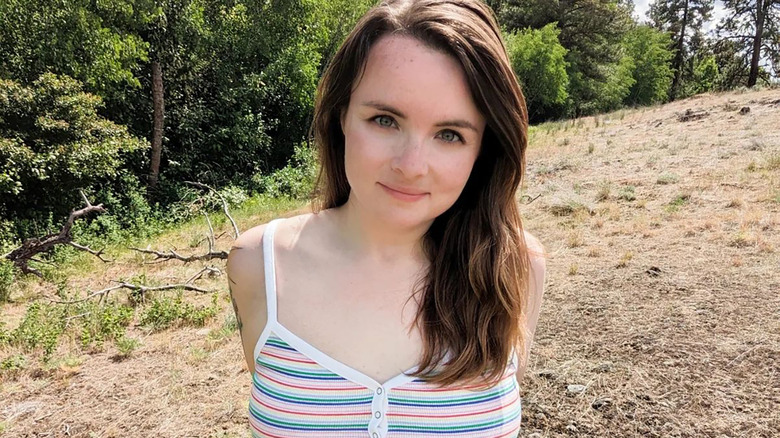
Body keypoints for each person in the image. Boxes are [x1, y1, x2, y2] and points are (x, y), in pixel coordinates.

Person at [226, 0, 547, 436]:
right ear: (341, 117)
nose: (412, 165)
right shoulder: (257, 264)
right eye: (384, 120)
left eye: (450, 134)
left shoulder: (517, 266)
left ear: (483, 149)